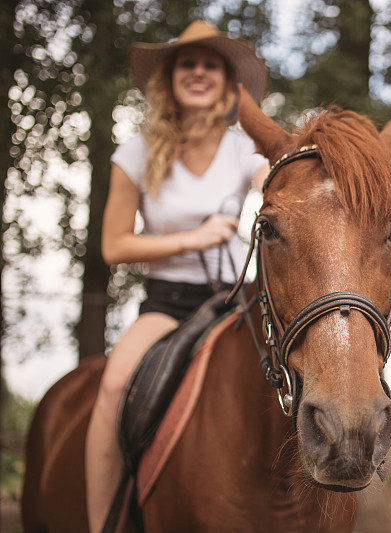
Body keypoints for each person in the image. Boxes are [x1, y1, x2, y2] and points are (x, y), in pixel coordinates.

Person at [85, 21, 270, 531]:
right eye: (187, 63)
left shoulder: (243, 148)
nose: (198, 72)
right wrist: (192, 237)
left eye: (211, 64)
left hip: (234, 302)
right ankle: (105, 522)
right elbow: (114, 245)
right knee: (114, 384)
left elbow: (276, 182)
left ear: (228, 82)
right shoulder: (135, 152)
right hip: (167, 302)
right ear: (170, 77)